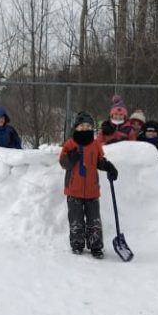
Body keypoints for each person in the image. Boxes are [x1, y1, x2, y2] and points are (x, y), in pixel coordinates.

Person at [59, 111, 119, 259]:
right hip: (74, 190)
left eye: (88, 126)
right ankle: (77, 244)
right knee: (76, 219)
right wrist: (71, 158)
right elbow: (63, 163)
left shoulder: (95, 145)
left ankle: (96, 246)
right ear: (76, 128)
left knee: (94, 220)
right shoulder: (70, 144)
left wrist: (108, 167)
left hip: (92, 190)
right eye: (82, 126)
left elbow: (99, 161)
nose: (85, 129)